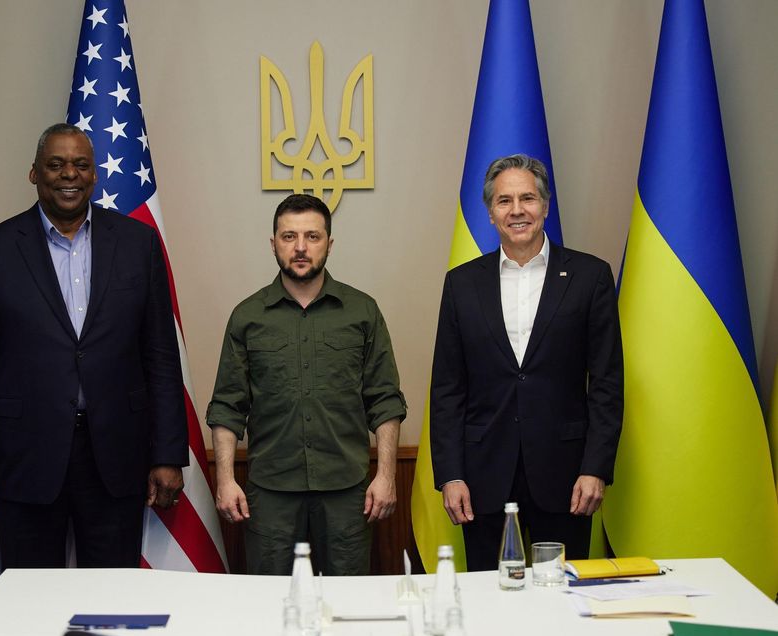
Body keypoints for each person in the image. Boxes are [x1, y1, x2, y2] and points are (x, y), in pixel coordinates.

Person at [0, 123, 188, 569]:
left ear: (95, 175)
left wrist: (168, 454)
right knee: (31, 602)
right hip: (26, 458)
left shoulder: (139, 244)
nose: (69, 175)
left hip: (115, 456)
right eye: (56, 165)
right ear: (34, 173)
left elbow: (160, 356)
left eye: (80, 165)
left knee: (112, 603)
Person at [430, 154, 623, 571]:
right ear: (490, 212)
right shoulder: (462, 283)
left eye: (527, 198)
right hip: (481, 479)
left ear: (546, 206)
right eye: (504, 201)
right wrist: (450, 475)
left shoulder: (591, 278)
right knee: (488, 599)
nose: (517, 210)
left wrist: (595, 469)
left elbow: (606, 383)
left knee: (562, 600)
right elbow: (448, 388)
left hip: (567, 477)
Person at [207, 194, 406, 575]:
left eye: (312, 237)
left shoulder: (362, 311)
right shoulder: (247, 316)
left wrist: (386, 476)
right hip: (271, 493)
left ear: (329, 244)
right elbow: (228, 407)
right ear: (273, 243)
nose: (300, 248)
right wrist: (226, 479)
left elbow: (385, 401)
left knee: (348, 605)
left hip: (348, 492)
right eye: (289, 237)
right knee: (270, 606)